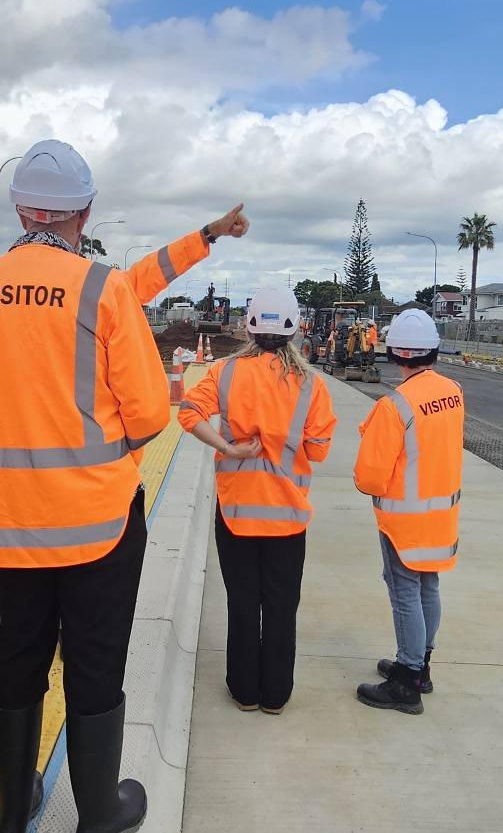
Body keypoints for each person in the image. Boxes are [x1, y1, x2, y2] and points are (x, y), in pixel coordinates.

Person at [0, 138, 192, 833]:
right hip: (97, 521)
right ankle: (95, 822)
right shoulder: (102, 286)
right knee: (95, 661)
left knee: (20, 656)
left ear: (22, 206)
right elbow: (151, 415)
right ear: (83, 213)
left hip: (14, 520)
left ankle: (9, 815)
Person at [0, 200, 249, 659]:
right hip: (70, 478)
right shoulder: (85, 293)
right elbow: (146, 412)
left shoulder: (88, 291)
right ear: (79, 220)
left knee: (38, 572)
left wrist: (207, 235)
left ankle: (22, 627)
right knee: (48, 575)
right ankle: (17, 624)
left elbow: (153, 271)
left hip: (45, 479)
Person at [177, 286, 334, 714]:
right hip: (287, 517)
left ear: (248, 325)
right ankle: (275, 695)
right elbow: (318, 448)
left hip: (235, 513)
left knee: (242, 602)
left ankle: (244, 691)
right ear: (293, 328)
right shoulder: (310, 384)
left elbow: (188, 414)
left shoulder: (225, 373)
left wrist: (229, 448)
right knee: (282, 608)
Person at [352, 309, 464, 715]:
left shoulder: (394, 406)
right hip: (440, 515)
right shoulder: (453, 391)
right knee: (428, 588)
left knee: (404, 594)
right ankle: (420, 664)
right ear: (432, 349)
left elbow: (370, 477)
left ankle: (407, 682)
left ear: (396, 353)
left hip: (405, 522)